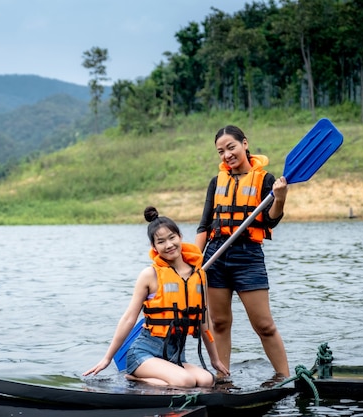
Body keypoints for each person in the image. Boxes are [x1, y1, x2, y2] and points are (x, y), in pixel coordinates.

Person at [84, 206, 229, 387]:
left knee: (207, 380)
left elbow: (204, 320)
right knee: (185, 382)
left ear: (180, 237)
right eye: (161, 242)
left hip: (175, 357)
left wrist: (214, 359)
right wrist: (107, 358)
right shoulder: (149, 274)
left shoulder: (199, 275)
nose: (168, 245)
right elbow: (129, 318)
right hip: (144, 355)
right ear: (154, 247)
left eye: (172, 238)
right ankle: (135, 377)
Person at [194, 125, 290, 379]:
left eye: (231, 147)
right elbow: (205, 225)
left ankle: (284, 378)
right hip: (215, 256)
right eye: (221, 151)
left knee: (264, 325)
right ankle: (223, 381)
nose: (226, 154)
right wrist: (193, 264)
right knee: (220, 324)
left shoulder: (267, 180)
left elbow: (270, 220)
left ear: (244, 144)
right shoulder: (216, 182)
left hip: (248, 257)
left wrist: (279, 198)